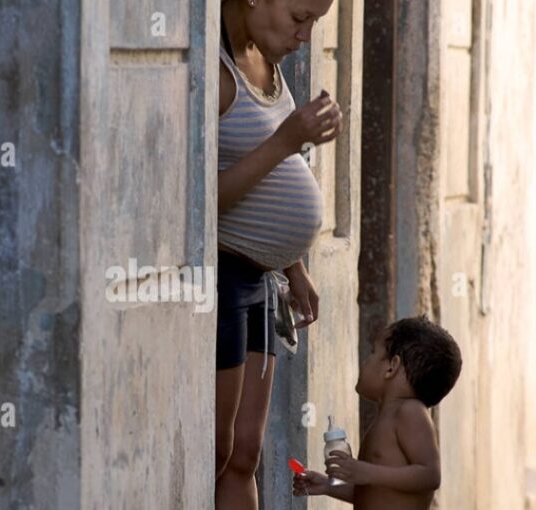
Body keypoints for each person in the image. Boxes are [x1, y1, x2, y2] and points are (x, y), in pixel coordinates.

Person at [215, 0, 341, 509]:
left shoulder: (266, 61)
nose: (306, 36)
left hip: (261, 281)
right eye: (299, 18)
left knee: (246, 454)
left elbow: (270, 178)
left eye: (314, 22)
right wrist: (289, 140)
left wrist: (295, 265)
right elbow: (202, 203)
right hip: (223, 279)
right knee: (217, 452)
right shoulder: (215, 71)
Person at [293, 316, 463, 509]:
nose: (366, 361)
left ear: (392, 367)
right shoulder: (386, 418)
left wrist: (366, 471)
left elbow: (430, 475)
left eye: (373, 352)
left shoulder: (410, 412)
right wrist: (327, 485)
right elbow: (376, 494)